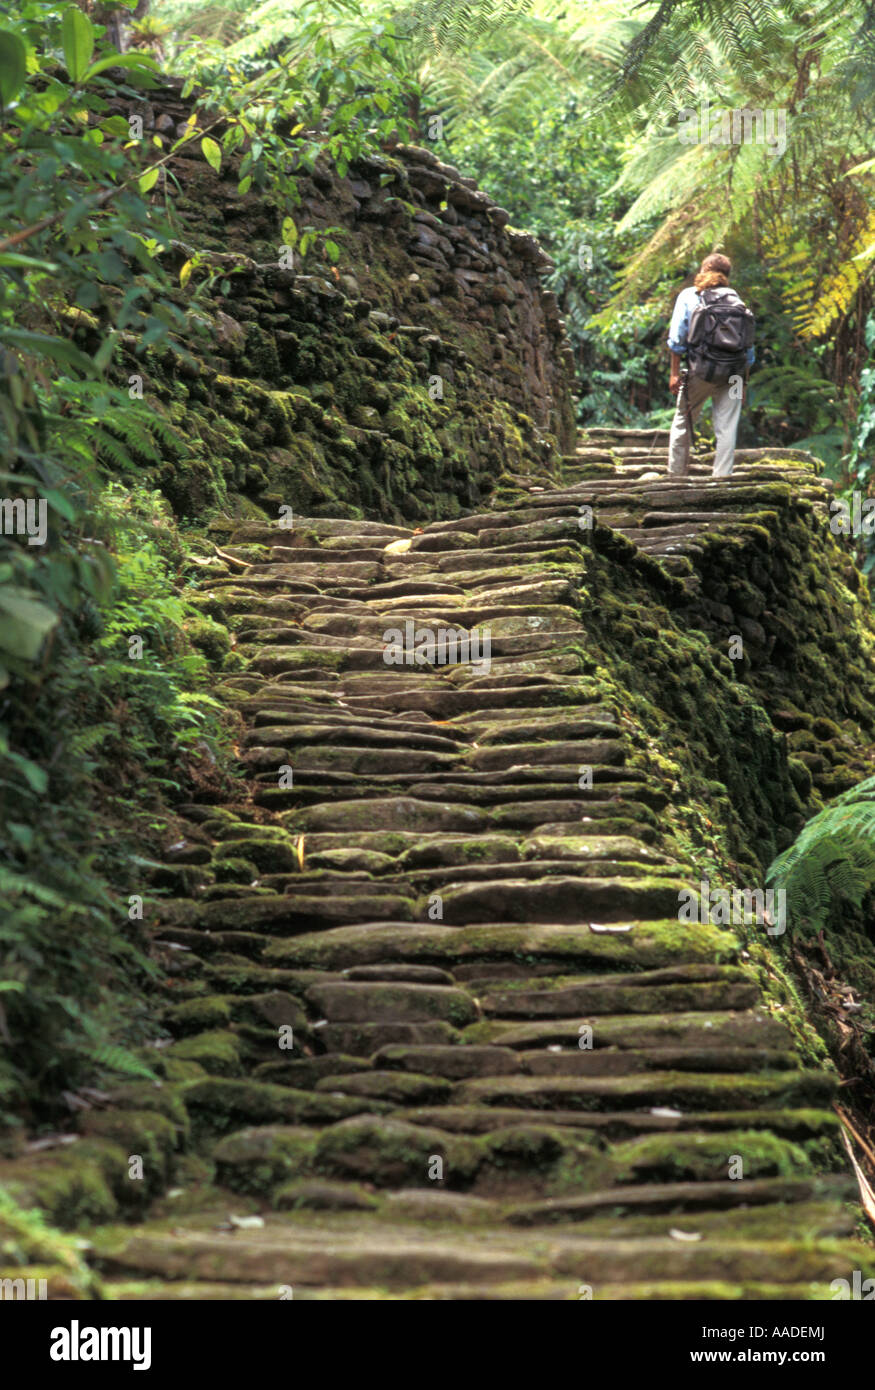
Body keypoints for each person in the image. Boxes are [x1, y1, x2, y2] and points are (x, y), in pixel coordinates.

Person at [666, 252, 755, 478]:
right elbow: (748, 348)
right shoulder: (738, 302)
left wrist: (674, 374)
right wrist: (743, 384)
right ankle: (721, 479)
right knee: (727, 426)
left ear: (704, 269)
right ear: (727, 275)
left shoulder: (689, 296)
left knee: (683, 423)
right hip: (735, 375)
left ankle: (675, 478)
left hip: (701, 372)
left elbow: (677, 339)